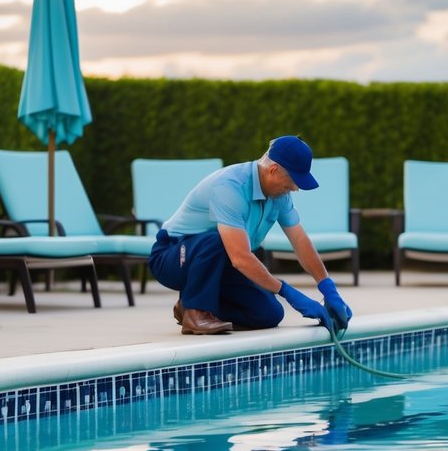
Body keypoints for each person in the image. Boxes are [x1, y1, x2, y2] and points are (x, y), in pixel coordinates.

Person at [148, 135, 354, 335]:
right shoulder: (230, 187)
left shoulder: (280, 195)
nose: (295, 188)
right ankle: (195, 312)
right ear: (273, 170)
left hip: (220, 263)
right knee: (218, 239)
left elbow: (300, 241)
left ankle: (187, 305)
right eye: (293, 180)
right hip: (173, 257)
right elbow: (240, 257)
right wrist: (289, 293)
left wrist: (328, 289)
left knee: (269, 314)